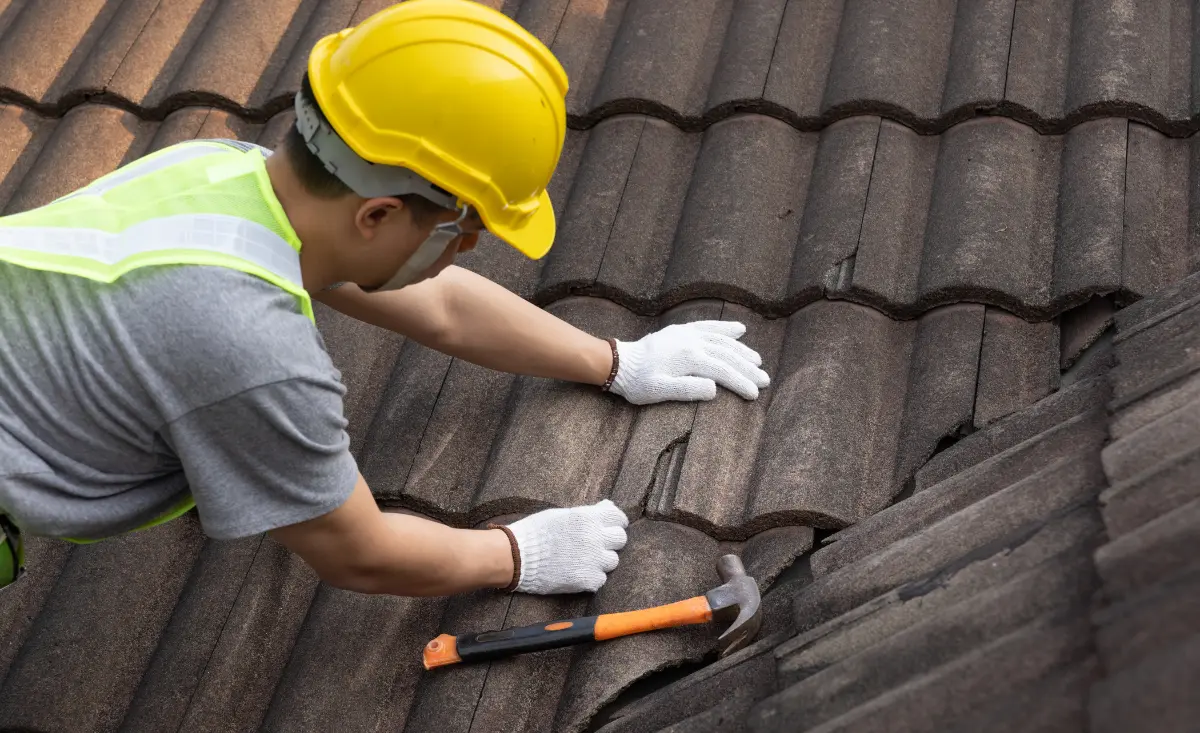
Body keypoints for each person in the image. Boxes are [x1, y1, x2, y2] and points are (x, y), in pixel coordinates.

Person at [0, 0, 769, 598]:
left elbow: (443, 307)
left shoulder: (221, 169)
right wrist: (516, 552)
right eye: (463, 230)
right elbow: (357, 550)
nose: (466, 250)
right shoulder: (249, 347)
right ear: (376, 214)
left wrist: (616, 360)